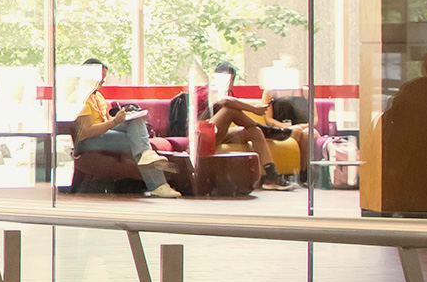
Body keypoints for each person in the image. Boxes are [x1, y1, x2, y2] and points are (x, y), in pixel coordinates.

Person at [72, 58, 181, 198]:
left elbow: (105, 120)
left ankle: (147, 154)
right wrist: (114, 122)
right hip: (87, 140)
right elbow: (87, 131)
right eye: (100, 79)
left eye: (103, 80)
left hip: (102, 133)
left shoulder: (98, 96)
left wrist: (121, 118)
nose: (102, 83)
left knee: (136, 122)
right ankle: (158, 185)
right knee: (137, 143)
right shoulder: (81, 97)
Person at [202, 62, 291, 190]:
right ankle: (266, 130)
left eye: (231, 80)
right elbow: (226, 101)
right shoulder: (208, 91)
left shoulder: (226, 94)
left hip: (216, 134)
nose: (229, 83)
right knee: (230, 110)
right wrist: (253, 109)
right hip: (201, 136)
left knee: (254, 132)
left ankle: (271, 177)